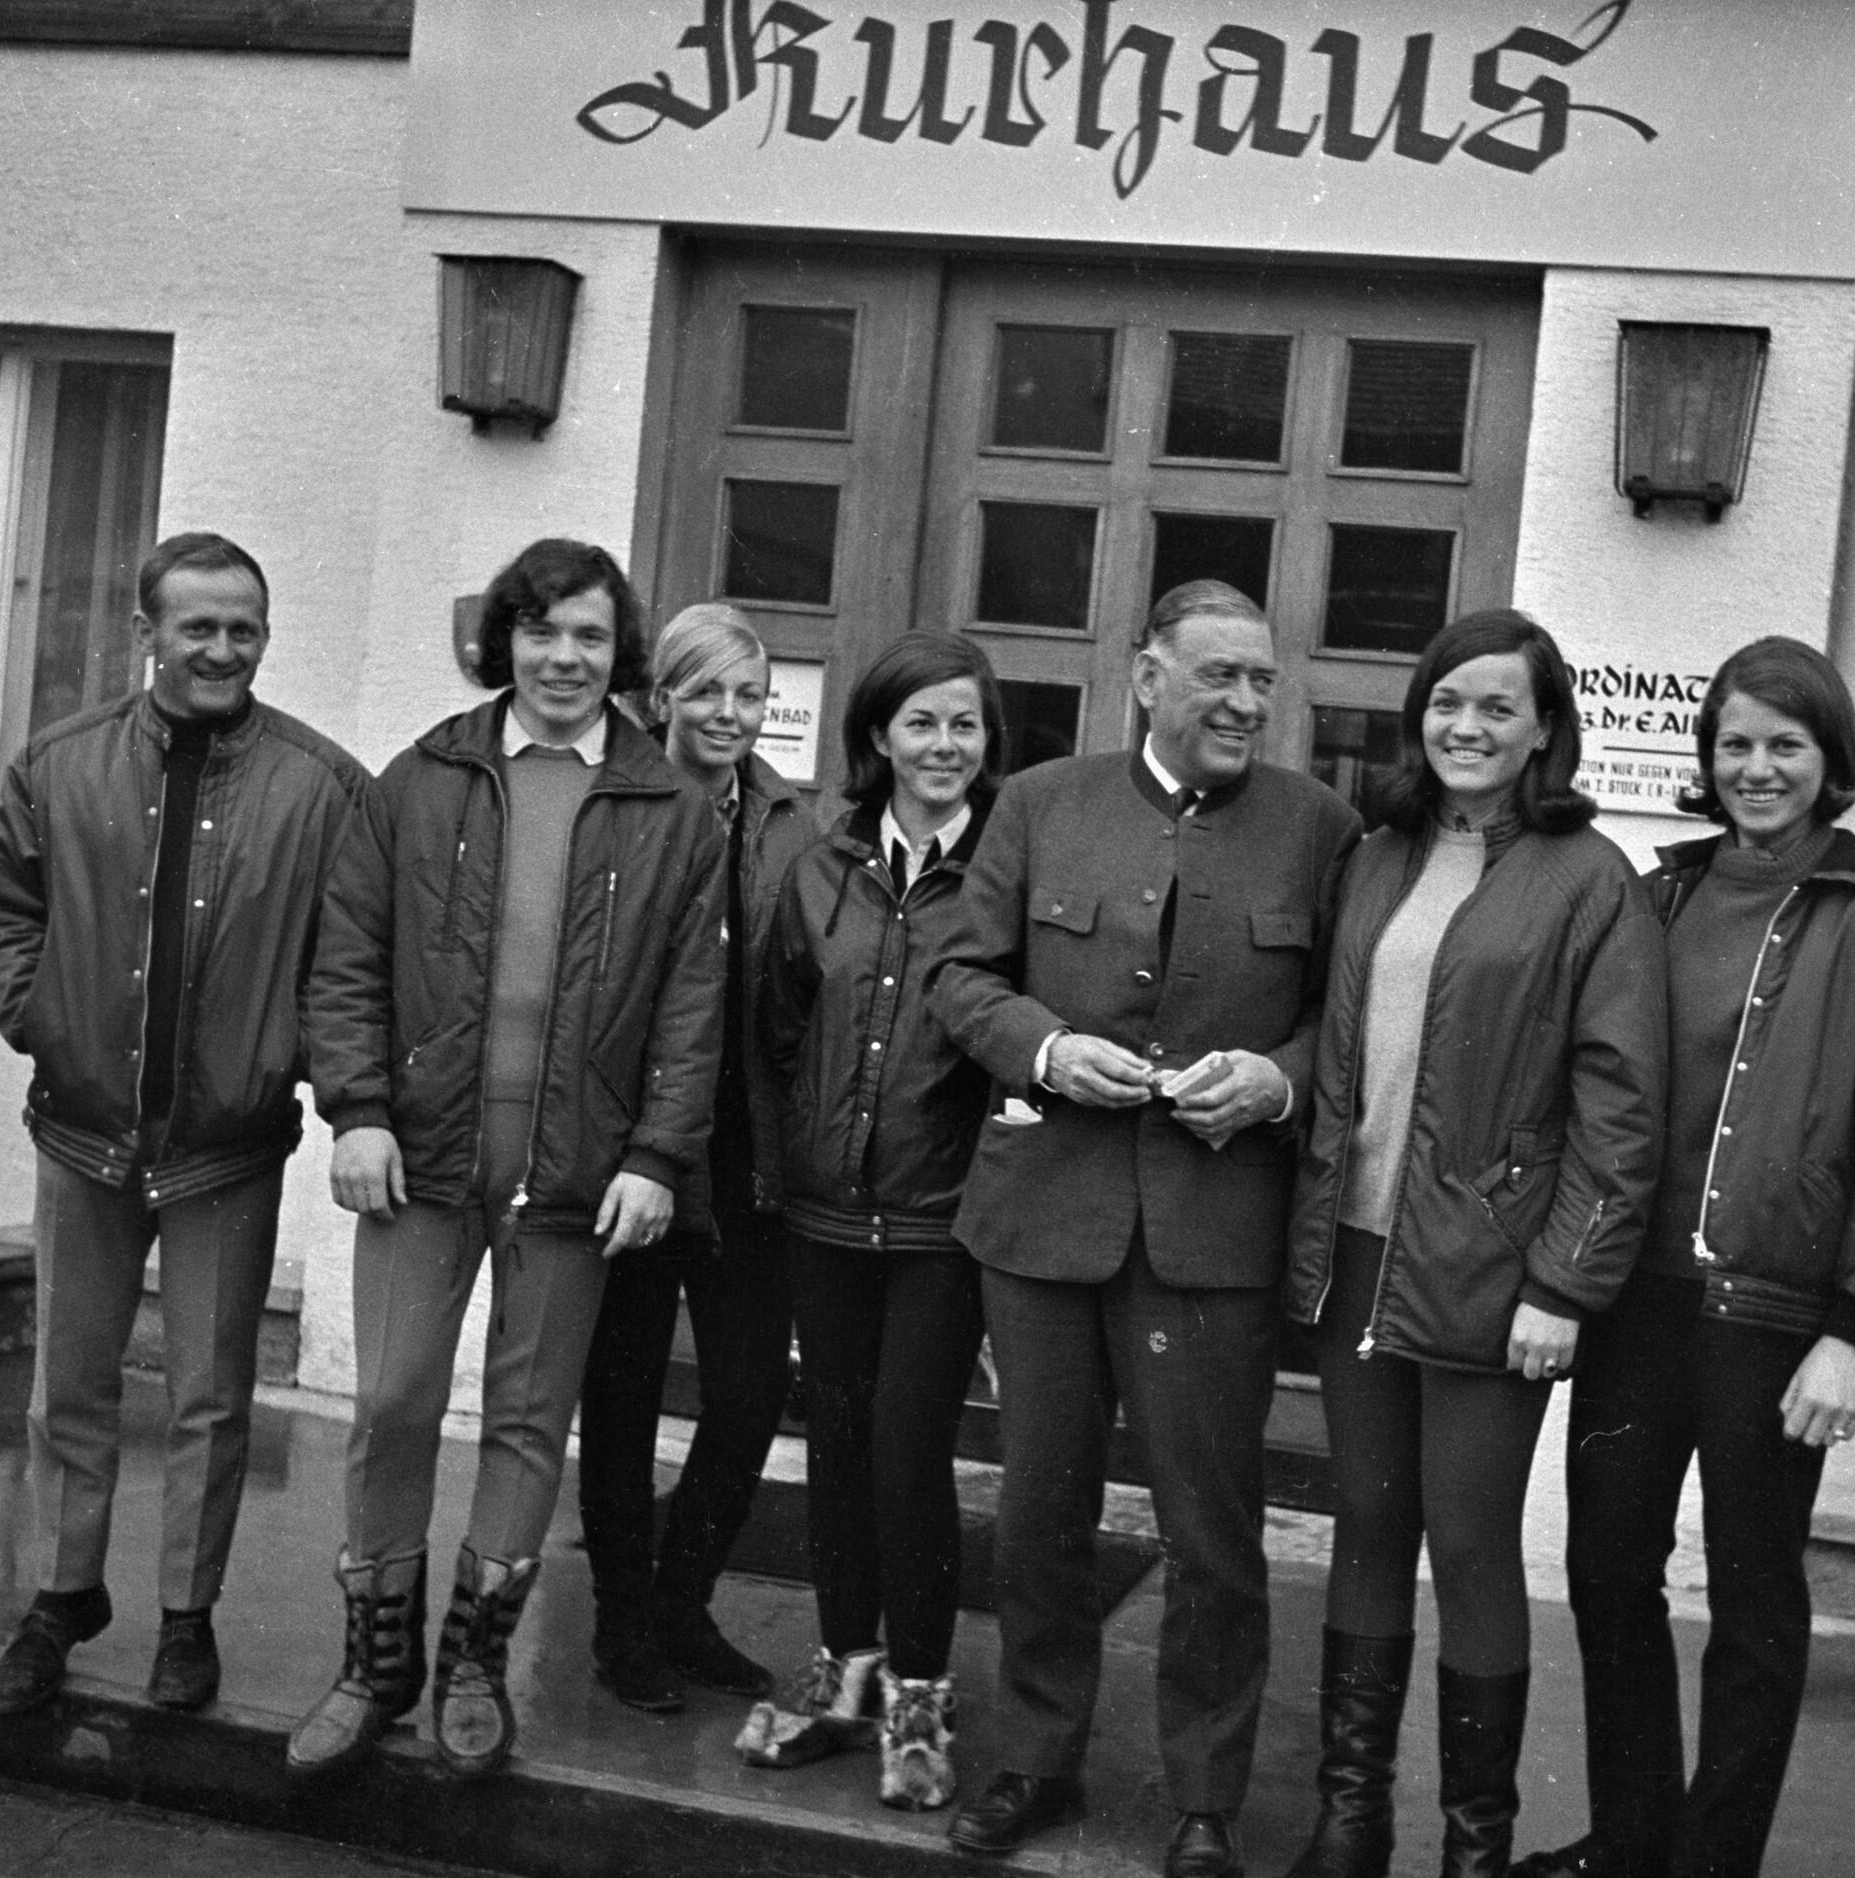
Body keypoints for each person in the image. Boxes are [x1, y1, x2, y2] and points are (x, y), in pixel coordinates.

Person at [928, 580, 1363, 1878]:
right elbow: (962, 974)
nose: (1245, 702)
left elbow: (1342, 1022)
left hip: (1212, 1238)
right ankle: (1034, 1757)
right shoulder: (1039, 802)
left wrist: (1277, 1081)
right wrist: (1046, 1049)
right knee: (1039, 1513)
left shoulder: (1319, 827)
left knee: (1212, 1534)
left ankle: (1206, 1801)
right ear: (1147, 676)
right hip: (1045, 1222)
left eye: (1261, 680)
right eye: (1220, 675)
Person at [1515, 635, 1855, 1878]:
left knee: (1754, 1602)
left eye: (1785, 745)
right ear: (1707, 760)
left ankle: (1714, 1862)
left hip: (1776, 1314)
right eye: (1736, 745)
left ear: (1831, 759)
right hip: (1637, 1302)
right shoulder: (1657, 900)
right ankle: (1632, 1843)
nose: (1758, 769)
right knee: (1609, 1573)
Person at [287, 539, 727, 1781]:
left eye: (590, 636)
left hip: (576, 1176)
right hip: (421, 1159)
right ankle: (373, 1667)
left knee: (530, 1423)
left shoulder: (671, 809)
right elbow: (347, 957)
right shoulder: (421, 779)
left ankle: (472, 1666)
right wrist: (356, 1111)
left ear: (619, 652)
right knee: (392, 1402)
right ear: (505, 642)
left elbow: (694, 1004)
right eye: (541, 632)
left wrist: (657, 1155)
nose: (564, 659)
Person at [1280, 609, 1665, 1878]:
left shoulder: (1590, 879)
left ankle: (1472, 1850)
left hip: (1493, 1274)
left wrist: (1564, 1284)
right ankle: (1351, 1823)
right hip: (1357, 1248)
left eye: (1499, 706)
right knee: (1367, 1525)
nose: (1468, 725)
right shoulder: (1378, 853)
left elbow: (1621, 1106)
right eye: (1448, 701)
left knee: (1473, 1542)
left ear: (1544, 728)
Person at [0, 530, 372, 1720]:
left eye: (244, 628)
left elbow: (351, 957)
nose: (223, 649)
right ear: (146, 633)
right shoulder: (59, 764)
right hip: (81, 1131)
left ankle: (187, 1619)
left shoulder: (323, 787)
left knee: (210, 1398)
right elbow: (0, 900)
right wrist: (36, 1016)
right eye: (199, 627)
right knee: (70, 1385)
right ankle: (60, 1598)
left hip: (226, 1151)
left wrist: (297, 1063)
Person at [738, 631, 1006, 1809]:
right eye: (922, 723)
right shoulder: (822, 870)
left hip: (946, 1223)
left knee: (908, 1446)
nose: (945, 745)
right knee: (837, 1438)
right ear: (879, 738)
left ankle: (921, 1693)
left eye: (965, 724)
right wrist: (799, 1159)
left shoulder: (1005, 874)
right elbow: (780, 1029)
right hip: (828, 1213)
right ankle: (845, 1666)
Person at [575, 601, 820, 1709]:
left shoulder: (790, 821)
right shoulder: (619, 801)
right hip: (632, 1150)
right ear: (660, 697)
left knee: (749, 1394)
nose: (730, 713)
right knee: (622, 1396)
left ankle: (683, 1603)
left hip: (745, 1153)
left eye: (749, 694)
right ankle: (622, 1623)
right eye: (707, 691)